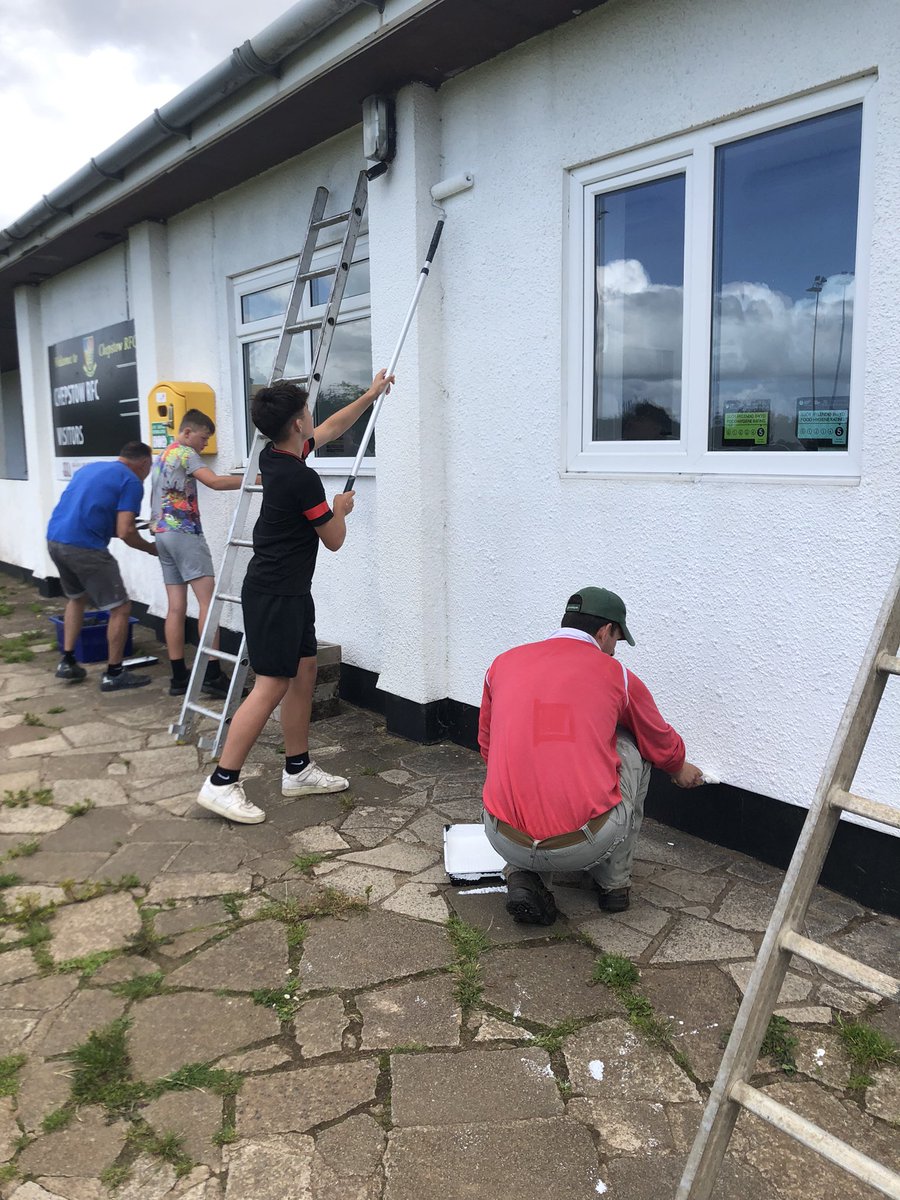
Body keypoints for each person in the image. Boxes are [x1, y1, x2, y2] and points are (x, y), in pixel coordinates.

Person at [196, 369, 394, 824]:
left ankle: (298, 768)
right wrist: (339, 509)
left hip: (285, 592)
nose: (313, 417)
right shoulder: (301, 480)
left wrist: (370, 394)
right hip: (276, 595)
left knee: (304, 671)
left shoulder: (276, 456)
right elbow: (334, 539)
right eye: (307, 411)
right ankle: (222, 782)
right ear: (296, 423)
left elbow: (332, 429)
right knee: (271, 684)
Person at [478, 586, 704, 925]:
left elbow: (487, 745)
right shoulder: (617, 676)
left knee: (524, 743)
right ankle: (613, 885)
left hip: (502, 837)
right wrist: (678, 766)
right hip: (584, 844)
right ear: (604, 631)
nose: (614, 652)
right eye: (616, 641)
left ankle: (524, 873)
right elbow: (657, 738)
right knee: (631, 744)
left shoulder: (503, 664)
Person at [47, 441, 159, 692]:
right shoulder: (131, 481)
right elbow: (125, 531)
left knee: (76, 598)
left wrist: (127, 526)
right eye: (149, 467)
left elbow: (95, 513)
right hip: (85, 547)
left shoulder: (91, 469)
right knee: (121, 608)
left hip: (56, 539)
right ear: (144, 463)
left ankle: (67, 661)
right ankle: (114, 673)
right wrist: (152, 549)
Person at [150, 411, 243, 697]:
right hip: (184, 533)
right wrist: (261, 479)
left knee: (176, 606)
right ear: (188, 432)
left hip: (162, 534)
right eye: (203, 438)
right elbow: (213, 482)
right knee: (208, 602)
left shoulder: (163, 455)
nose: (204, 445)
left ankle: (178, 677)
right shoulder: (185, 453)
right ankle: (212, 674)